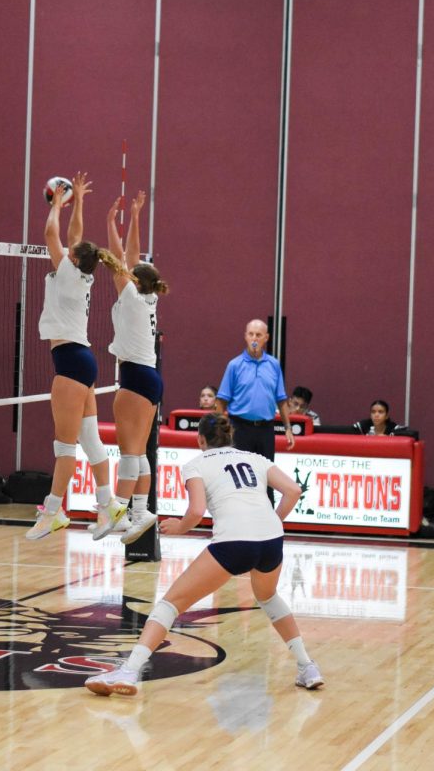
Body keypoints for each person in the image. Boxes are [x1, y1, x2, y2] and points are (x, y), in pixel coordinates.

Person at [84, 413, 324, 696]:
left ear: (200, 440)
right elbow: (293, 490)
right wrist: (273, 519)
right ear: (230, 437)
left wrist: (179, 527)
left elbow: (196, 511)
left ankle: (129, 670)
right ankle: (307, 666)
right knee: (269, 597)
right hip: (271, 539)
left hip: (235, 541)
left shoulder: (195, 464)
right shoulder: (255, 458)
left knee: (170, 604)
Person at [28, 172, 128, 541]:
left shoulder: (68, 271)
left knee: (64, 446)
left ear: (73, 259)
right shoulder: (83, 272)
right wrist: (80, 202)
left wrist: (58, 204)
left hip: (70, 361)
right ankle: (110, 504)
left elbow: (52, 235)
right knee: (89, 439)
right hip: (82, 358)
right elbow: (72, 239)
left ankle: (53, 511)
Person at [103, 191, 167, 544]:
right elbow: (130, 258)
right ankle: (140, 511)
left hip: (137, 376)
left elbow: (117, 261)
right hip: (149, 376)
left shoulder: (131, 296)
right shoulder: (148, 296)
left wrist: (112, 222)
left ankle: (121, 513)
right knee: (139, 451)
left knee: (129, 451)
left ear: (135, 281)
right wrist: (137, 216)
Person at [214, 320, 295, 503]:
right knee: (238, 477)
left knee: (266, 477)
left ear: (266, 338)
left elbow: (281, 400)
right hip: (239, 428)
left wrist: (288, 428)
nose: (254, 338)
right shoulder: (234, 365)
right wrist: (221, 428)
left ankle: (267, 524)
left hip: (265, 429)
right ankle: (238, 522)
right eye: (251, 334)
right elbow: (221, 401)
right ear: (245, 336)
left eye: (258, 335)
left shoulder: (273, 365)